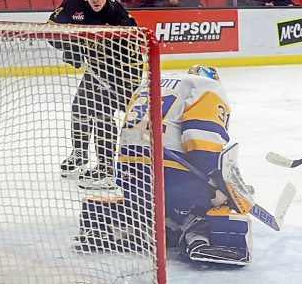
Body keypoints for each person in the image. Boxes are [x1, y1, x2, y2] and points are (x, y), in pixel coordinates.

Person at [74, 66, 252, 266]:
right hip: (170, 174)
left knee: (153, 202)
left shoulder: (152, 84)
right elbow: (201, 143)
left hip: (128, 173)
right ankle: (198, 236)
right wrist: (219, 182)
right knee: (216, 197)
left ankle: (121, 227)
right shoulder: (206, 86)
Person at [48, 0, 142, 190]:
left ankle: (107, 169)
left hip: (124, 70)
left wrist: (118, 81)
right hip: (96, 67)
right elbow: (50, 29)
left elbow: (132, 49)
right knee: (79, 108)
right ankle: (80, 155)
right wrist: (70, 47)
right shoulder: (72, 4)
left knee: (102, 113)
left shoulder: (116, 14)